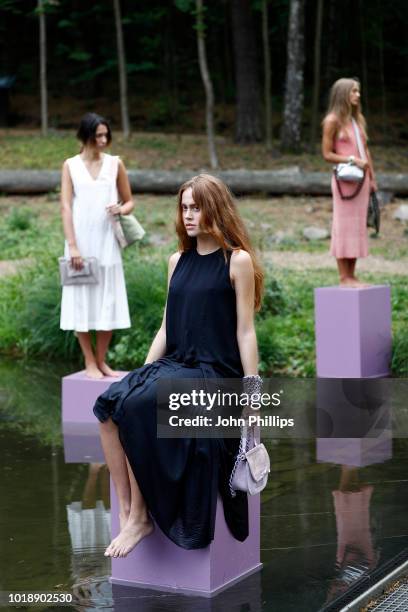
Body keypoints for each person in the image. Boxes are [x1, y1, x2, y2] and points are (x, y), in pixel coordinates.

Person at [93, 173, 264, 558]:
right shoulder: (177, 261)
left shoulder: (237, 261)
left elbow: (246, 332)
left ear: (215, 209)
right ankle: (127, 510)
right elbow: (167, 327)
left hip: (215, 375)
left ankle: (141, 516)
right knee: (109, 406)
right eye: (184, 207)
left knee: (138, 407)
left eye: (196, 206)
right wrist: (141, 374)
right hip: (178, 364)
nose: (188, 214)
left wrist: (252, 396)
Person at [60, 112, 133, 379]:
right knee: (81, 301)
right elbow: (66, 207)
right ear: (86, 136)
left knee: (108, 300)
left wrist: (121, 209)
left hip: (107, 241)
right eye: (98, 135)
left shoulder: (116, 164)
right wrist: (73, 246)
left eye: (106, 135)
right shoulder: (70, 165)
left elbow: (130, 201)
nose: (103, 140)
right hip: (80, 242)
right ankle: (89, 361)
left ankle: (102, 361)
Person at [322, 78, 377, 287]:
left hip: (362, 182)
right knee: (343, 226)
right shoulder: (332, 121)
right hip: (344, 182)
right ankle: (343, 276)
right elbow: (327, 154)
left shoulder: (357, 121)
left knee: (356, 227)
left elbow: (366, 150)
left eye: (358, 91)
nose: (358, 95)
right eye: (354, 91)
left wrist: (372, 178)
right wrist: (352, 159)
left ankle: (352, 275)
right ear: (343, 93)